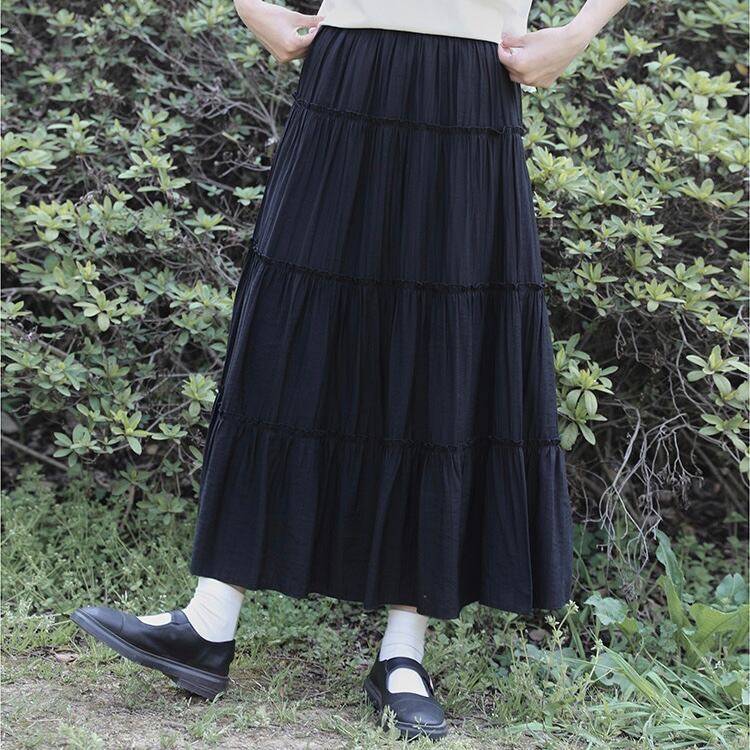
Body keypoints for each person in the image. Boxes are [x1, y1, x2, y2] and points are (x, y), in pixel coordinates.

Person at [70, 0, 629, 741]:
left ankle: (402, 654)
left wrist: (579, 33)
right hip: (347, 67)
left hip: (470, 77)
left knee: (442, 347)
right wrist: (250, 5)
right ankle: (209, 620)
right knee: (291, 332)